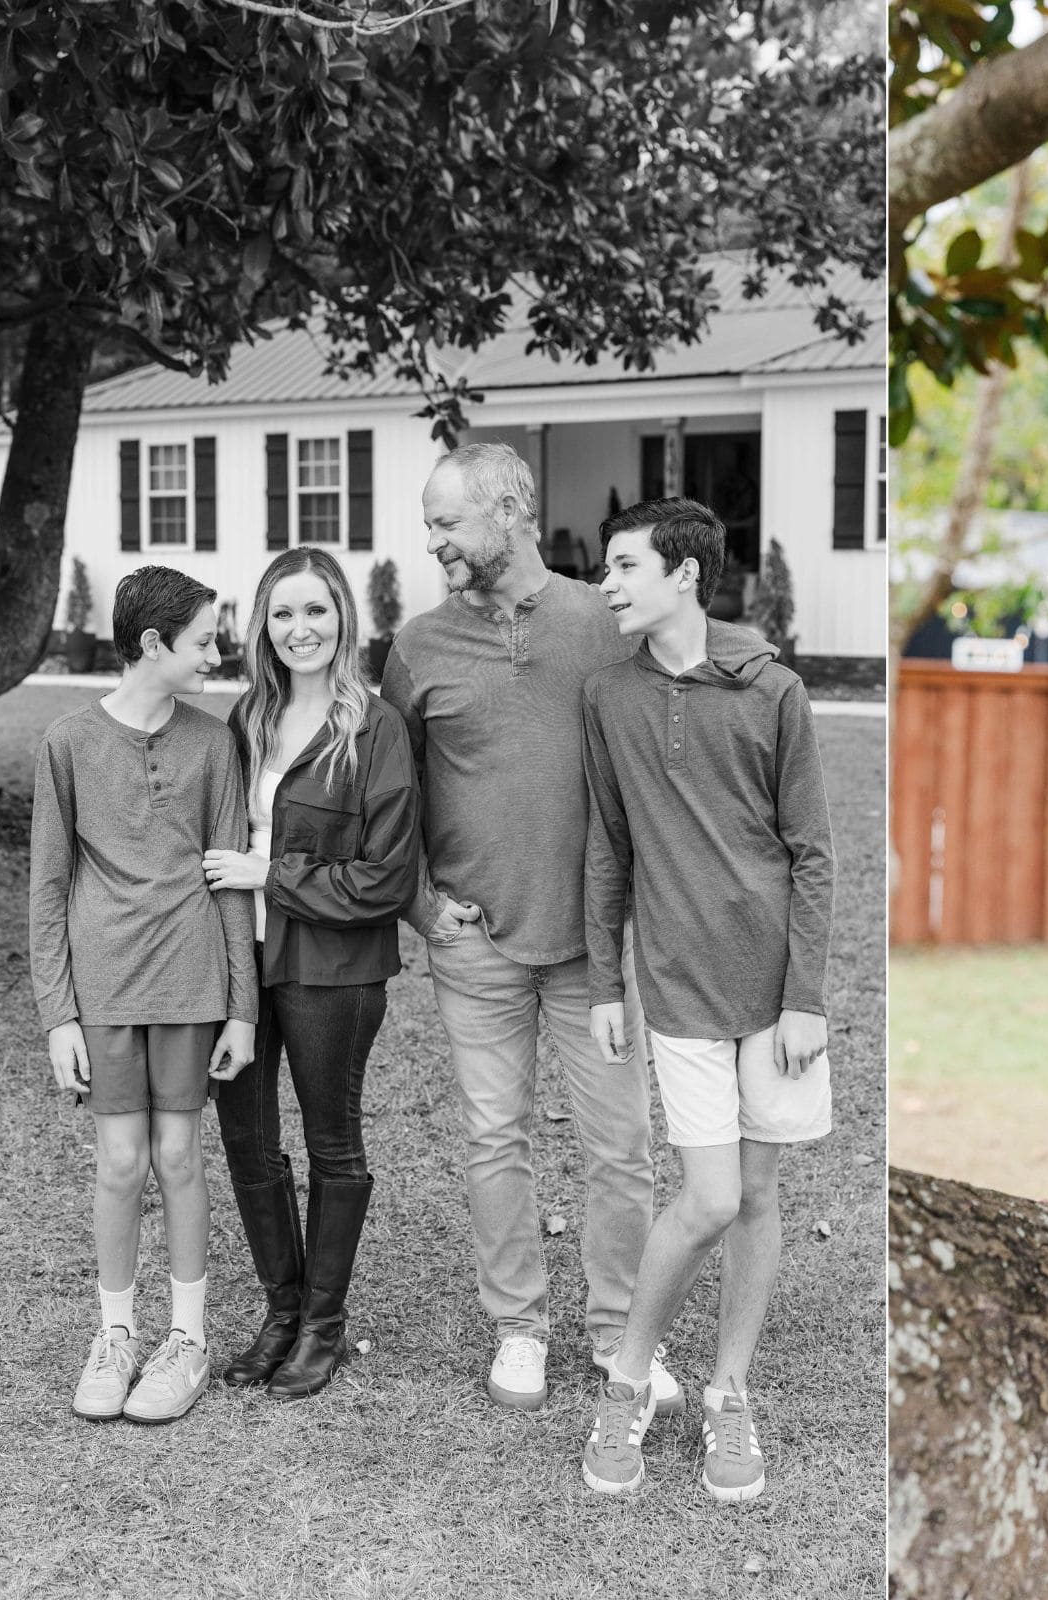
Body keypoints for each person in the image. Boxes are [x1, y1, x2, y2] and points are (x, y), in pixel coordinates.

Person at [380, 443, 676, 1415]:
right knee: (491, 1138)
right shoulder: (418, 647)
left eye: (447, 522)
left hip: (596, 950)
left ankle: (622, 1332)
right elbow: (390, 792)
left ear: (509, 511)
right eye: (428, 525)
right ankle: (519, 1327)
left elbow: (664, 755)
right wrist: (421, 903)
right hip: (474, 945)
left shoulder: (605, 623)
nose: (433, 542)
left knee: (622, 1147)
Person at [579, 497, 834, 1501]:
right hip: (678, 987)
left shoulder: (773, 689)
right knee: (711, 1196)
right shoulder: (607, 695)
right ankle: (628, 1380)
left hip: (775, 997)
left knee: (758, 1195)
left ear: (684, 574)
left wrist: (806, 997)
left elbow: (812, 853)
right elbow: (607, 845)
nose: (606, 583)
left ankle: (730, 1391)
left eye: (623, 565)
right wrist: (606, 980)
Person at [29, 566, 257, 1423]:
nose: (216, 653)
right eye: (204, 640)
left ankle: (187, 1339)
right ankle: (116, 1334)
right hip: (106, 991)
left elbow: (229, 878)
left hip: (192, 985)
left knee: (179, 1158)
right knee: (121, 1163)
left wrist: (242, 1007)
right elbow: (47, 887)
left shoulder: (213, 742)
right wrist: (59, 1015)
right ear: (154, 644)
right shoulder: (66, 742)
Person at [201, 547, 423, 1400]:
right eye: (284, 613)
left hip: (334, 968)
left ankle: (323, 1327)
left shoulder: (375, 729)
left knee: (334, 1141)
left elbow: (386, 877)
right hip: (241, 962)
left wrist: (271, 875)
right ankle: (281, 1312)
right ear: (263, 626)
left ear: (343, 619)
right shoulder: (246, 719)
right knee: (247, 1140)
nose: (301, 629)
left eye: (316, 611)